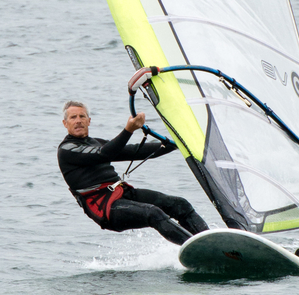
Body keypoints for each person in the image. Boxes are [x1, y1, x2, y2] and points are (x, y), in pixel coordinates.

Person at [57, 99, 209, 245]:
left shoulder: (95, 142)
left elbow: (135, 151)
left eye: (82, 116)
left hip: (121, 193)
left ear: (89, 121)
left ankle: (212, 242)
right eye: (73, 117)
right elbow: (104, 154)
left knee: (179, 204)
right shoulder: (67, 149)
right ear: (65, 123)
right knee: (153, 213)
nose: (78, 120)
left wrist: (177, 143)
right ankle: (200, 249)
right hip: (106, 208)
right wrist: (128, 130)